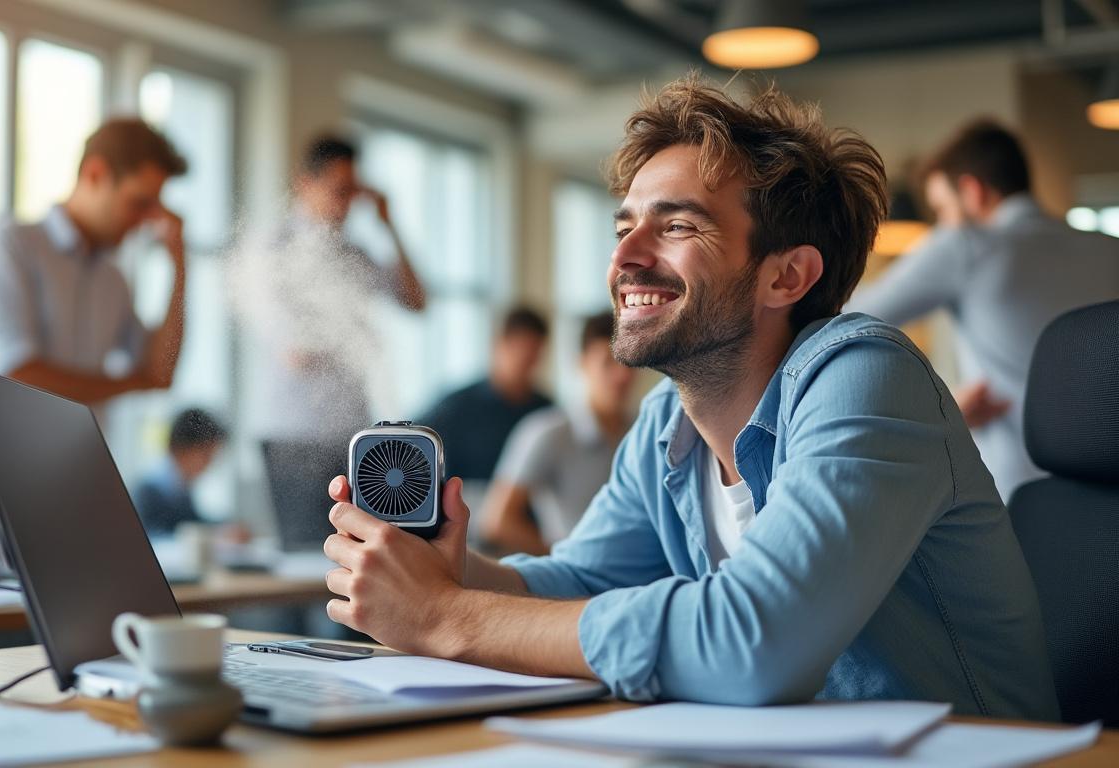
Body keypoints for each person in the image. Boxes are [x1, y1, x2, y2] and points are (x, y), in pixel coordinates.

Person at [317, 75, 1059, 721]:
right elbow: (579, 583)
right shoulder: (667, 425)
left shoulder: (867, 378)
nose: (624, 258)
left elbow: (753, 640)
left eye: (675, 225)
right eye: (624, 226)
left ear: (786, 277)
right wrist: (447, 570)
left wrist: (446, 616)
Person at [848, 120, 1119, 500]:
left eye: (942, 208)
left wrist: (936, 411)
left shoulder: (968, 246)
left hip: (1017, 495)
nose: (943, 224)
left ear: (972, 192)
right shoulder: (1109, 248)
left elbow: (845, 316)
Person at [0, 117, 189, 415]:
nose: (146, 221)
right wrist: (130, 383)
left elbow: (160, 373)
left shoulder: (113, 280)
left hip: (81, 461)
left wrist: (180, 268)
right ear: (94, 174)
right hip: (2, 461)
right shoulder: (12, 247)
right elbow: (14, 377)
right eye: (138, 203)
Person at [249, 135, 426, 444]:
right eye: (338, 191)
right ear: (305, 184)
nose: (345, 205)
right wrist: (362, 341)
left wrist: (390, 224)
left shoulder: (354, 255)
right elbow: (296, 352)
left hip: (352, 429)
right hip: (295, 431)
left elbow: (416, 301)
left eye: (352, 193)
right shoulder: (274, 248)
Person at [481, 312, 635, 555]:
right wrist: (564, 558)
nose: (622, 375)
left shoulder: (646, 430)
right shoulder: (548, 432)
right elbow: (498, 522)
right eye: (608, 362)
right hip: (575, 580)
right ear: (582, 363)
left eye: (628, 362)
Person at [417, 307, 553, 483]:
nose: (524, 362)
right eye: (519, 351)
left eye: (532, 356)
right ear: (498, 344)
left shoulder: (546, 412)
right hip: (462, 503)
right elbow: (412, 440)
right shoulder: (457, 406)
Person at [132, 408, 226, 537]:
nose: (209, 464)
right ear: (183, 449)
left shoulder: (182, 486)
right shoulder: (148, 490)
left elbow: (192, 522)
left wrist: (223, 528)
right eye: (206, 455)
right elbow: (155, 536)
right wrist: (215, 534)